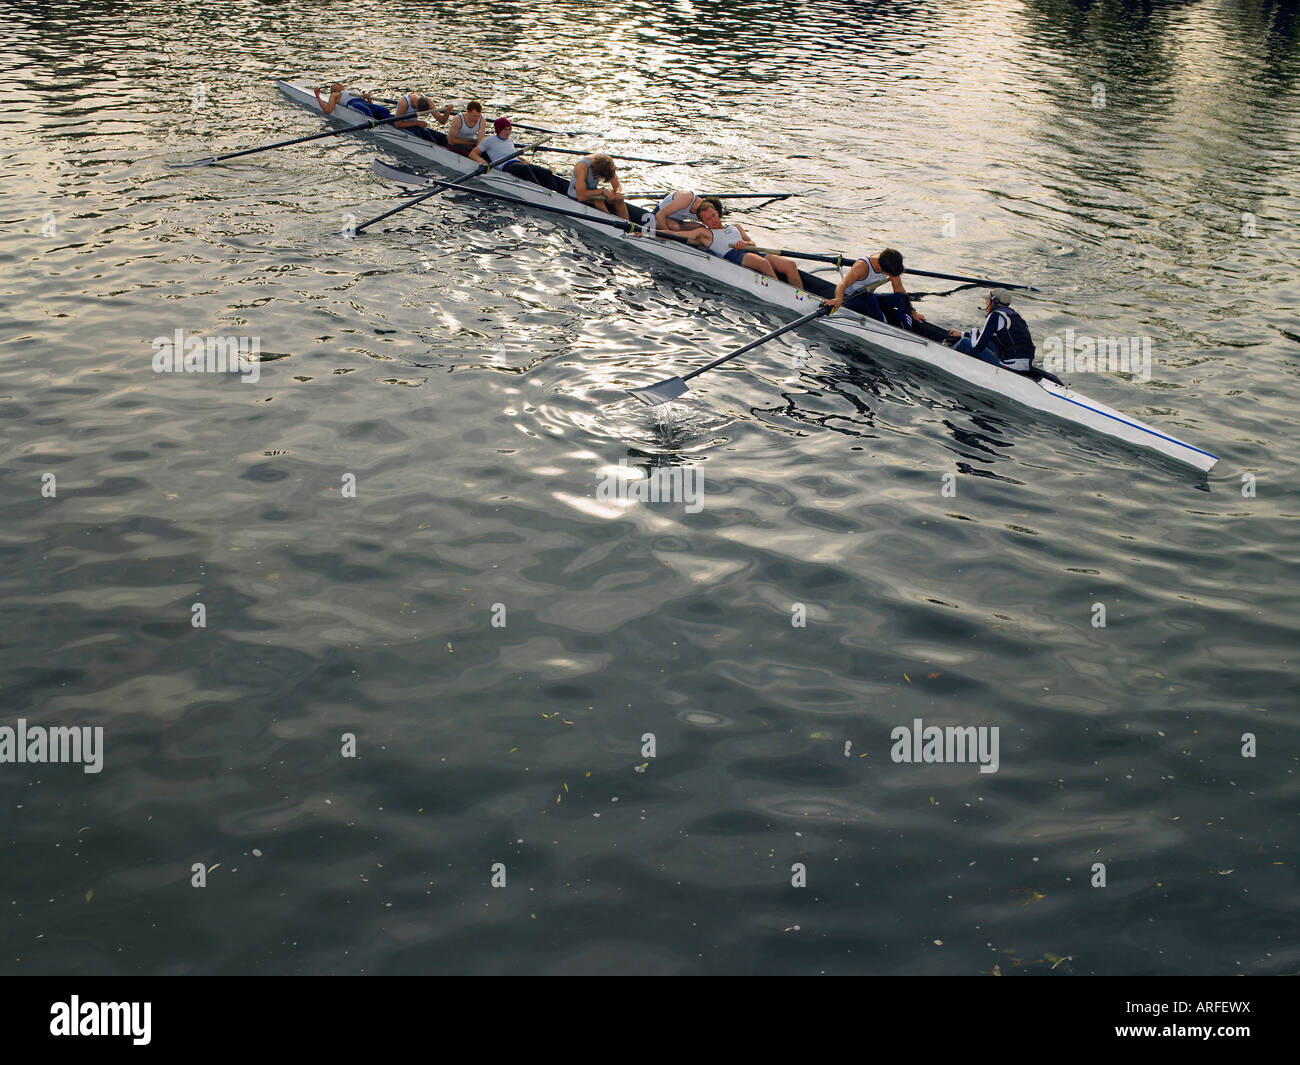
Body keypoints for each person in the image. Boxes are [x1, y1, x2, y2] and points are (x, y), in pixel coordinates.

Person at [686, 198, 803, 286]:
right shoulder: (704, 233)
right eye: (708, 219)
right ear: (704, 222)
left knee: (790, 265)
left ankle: (801, 296)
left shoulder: (735, 226)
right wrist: (666, 231)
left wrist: (746, 244)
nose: (713, 220)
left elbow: (753, 244)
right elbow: (677, 235)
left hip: (751, 252)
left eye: (713, 215)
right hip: (734, 255)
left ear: (717, 213)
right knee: (763, 263)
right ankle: (783, 292)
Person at [822, 250, 925, 328]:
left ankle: (907, 330)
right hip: (848, 299)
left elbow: (898, 289)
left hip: (867, 298)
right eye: (888, 274)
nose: (890, 276)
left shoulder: (891, 262)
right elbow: (842, 284)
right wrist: (838, 298)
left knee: (902, 297)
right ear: (880, 267)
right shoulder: (862, 266)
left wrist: (911, 310)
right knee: (869, 298)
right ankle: (884, 328)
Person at [947, 290, 1036, 371]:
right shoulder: (1014, 316)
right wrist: (962, 334)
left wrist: (973, 332)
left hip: (1009, 367)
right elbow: (990, 338)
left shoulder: (995, 315)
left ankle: (946, 355)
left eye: (987, 300)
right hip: (1025, 367)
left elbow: (977, 349)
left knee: (964, 342)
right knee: (989, 341)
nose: (986, 303)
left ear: (993, 302)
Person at [471, 117, 566, 189]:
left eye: (509, 129)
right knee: (524, 169)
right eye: (505, 129)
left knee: (546, 172)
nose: (508, 132)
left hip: (517, 163)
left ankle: (556, 192)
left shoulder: (510, 140)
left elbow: (511, 153)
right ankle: (541, 190)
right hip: (505, 166)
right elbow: (473, 153)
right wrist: (483, 162)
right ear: (498, 130)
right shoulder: (489, 140)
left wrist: (522, 159)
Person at [568, 154, 630, 220]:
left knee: (619, 199)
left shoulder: (608, 163)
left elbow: (616, 185)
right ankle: (611, 224)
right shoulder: (582, 166)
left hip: (592, 192)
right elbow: (581, 197)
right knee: (598, 200)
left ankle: (627, 225)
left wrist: (617, 192)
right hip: (576, 193)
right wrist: (602, 191)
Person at [314, 83, 390, 120]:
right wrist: (318, 96)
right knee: (366, 110)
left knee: (385, 110)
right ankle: (376, 124)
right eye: (336, 84)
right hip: (353, 103)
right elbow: (328, 110)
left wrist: (368, 98)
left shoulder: (353, 90)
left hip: (364, 102)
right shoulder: (335, 94)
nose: (339, 83)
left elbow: (370, 105)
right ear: (334, 89)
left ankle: (391, 124)